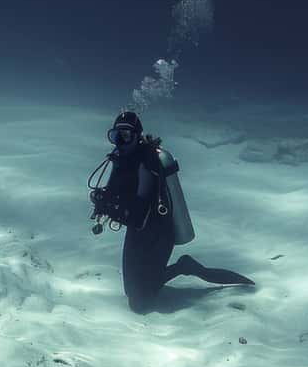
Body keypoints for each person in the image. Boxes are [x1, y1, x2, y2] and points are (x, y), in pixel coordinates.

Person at [89, 111, 254, 313]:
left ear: (137, 136)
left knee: (140, 304)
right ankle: (154, 278)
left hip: (158, 233)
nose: (121, 142)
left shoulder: (147, 163)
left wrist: (110, 208)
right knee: (131, 291)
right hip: (138, 231)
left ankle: (184, 266)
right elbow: (116, 195)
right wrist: (102, 199)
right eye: (116, 136)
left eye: (126, 135)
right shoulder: (120, 159)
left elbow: (139, 215)